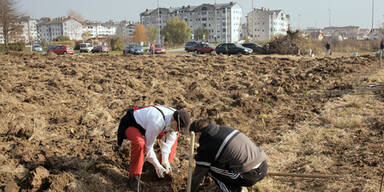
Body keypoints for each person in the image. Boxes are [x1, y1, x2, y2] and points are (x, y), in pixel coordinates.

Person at [116, 105, 191, 191]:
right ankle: (134, 176)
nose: (178, 130)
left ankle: (165, 167)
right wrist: (156, 165)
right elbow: (148, 148)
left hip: (150, 126)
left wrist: (165, 161)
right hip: (132, 124)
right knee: (140, 143)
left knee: (175, 136)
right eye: (178, 128)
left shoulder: (175, 118)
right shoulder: (157, 122)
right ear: (173, 120)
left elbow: (168, 142)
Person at [189, 119, 267, 192]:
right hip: (263, 166)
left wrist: (190, 189)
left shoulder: (206, 145)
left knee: (209, 168)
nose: (195, 142)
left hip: (248, 176)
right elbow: (217, 154)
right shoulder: (224, 129)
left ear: (198, 134)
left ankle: (233, 189)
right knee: (215, 163)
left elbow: (198, 174)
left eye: (194, 138)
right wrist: (194, 156)